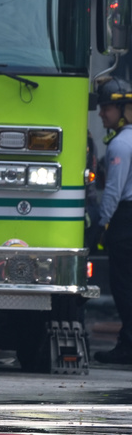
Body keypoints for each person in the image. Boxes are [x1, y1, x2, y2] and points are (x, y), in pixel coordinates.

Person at [92, 76, 132, 364]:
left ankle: (127, 346)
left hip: (125, 221)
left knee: (124, 285)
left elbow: (113, 192)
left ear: (123, 110)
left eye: (107, 108)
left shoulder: (120, 145)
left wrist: (103, 225)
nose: (101, 113)